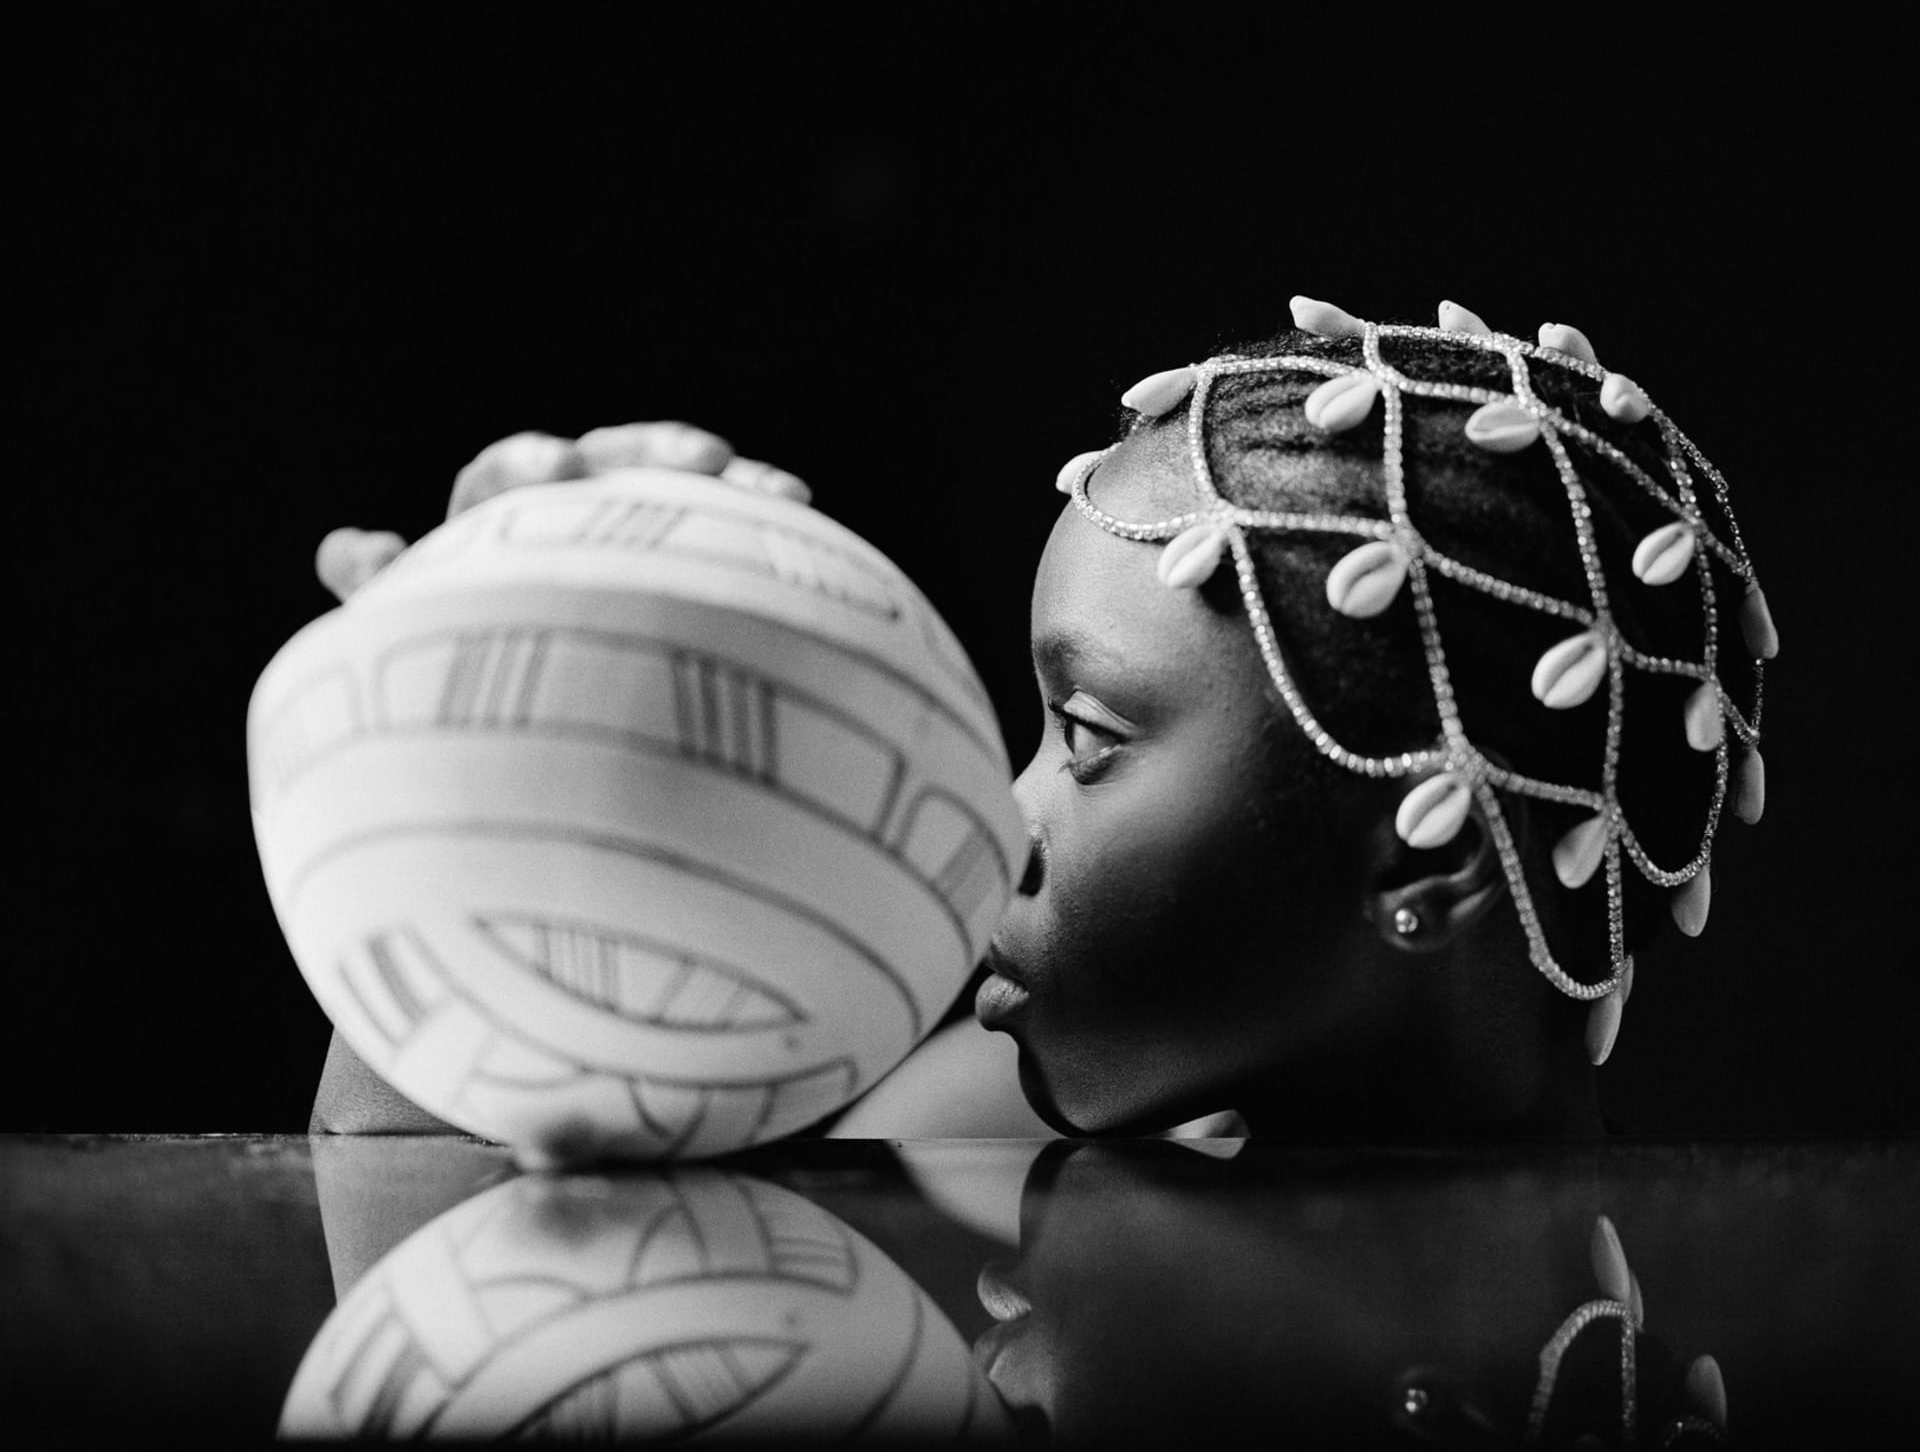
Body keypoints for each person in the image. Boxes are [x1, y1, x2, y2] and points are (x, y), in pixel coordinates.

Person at [309, 295, 1773, 1142]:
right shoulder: (943, 1120)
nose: (994, 823)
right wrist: (472, 780)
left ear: (1430, 862)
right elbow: (425, 1243)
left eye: (1084, 741)